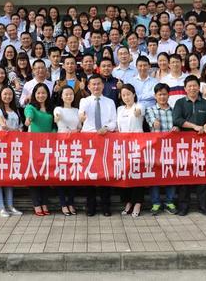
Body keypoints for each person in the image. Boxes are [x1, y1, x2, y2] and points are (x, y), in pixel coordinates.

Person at [172, 75, 206, 216]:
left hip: (202, 145)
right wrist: (195, 126)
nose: (192, 88)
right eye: (189, 86)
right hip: (184, 145)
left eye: (195, 85)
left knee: (202, 175)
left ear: (199, 87)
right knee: (184, 175)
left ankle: (203, 206)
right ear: (185, 88)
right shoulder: (180, 103)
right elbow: (177, 120)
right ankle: (183, 206)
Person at [79, 75, 117, 216]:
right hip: (88, 141)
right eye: (93, 84)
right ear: (89, 86)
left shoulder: (110, 102)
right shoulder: (84, 101)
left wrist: (106, 128)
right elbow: (81, 114)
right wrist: (82, 116)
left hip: (105, 140)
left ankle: (106, 206)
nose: (96, 87)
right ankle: (90, 206)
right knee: (89, 173)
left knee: (105, 173)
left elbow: (114, 122)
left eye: (98, 84)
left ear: (103, 85)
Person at [144, 83, 179, 215]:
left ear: (168, 95)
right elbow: (152, 122)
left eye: (164, 94)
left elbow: (178, 125)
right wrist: (155, 123)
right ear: (155, 96)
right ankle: (156, 202)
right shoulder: (150, 109)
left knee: (171, 174)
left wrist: (177, 128)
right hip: (156, 148)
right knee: (155, 175)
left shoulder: (174, 110)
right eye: (159, 94)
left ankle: (170, 201)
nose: (162, 97)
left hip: (171, 148)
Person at [0, 86, 24, 217]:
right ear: (0, 95)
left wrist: (14, 131)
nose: (7, 96)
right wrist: (13, 130)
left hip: (13, 147)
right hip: (0, 147)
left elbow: (21, 128)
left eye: (10, 94)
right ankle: (1, 207)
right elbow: (3, 125)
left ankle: (10, 206)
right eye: (5, 94)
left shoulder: (15, 110)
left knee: (9, 177)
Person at [24, 83, 55, 216]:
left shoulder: (51, 108)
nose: (41, 95)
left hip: (48, 147)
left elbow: (54, 126)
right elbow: (29, 114)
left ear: (47, 94)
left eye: (43, 93)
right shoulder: (31, 107)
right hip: (35, 147)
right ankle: (36, 204)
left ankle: (44, 203)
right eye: (38, 93)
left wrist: (52, 136)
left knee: (46, 175)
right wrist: (28, 119)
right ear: (34, 95)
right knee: (35, 175)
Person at [117, 84, 145, 217]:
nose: (126, 97)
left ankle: (138, 202)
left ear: (134, 94)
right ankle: (128, 202)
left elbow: (139, 112)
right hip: (123, 146)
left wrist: (136, 112)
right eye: (123, 95)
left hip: (137, 145)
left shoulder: (139, 106)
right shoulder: (119, 109)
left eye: (128, 94)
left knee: (137, 174)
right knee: (124, 174)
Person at [54, 86, 80, 216]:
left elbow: (80, 127)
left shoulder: (77, 110)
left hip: (75, 145)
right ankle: (63, 203)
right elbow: (56, 118)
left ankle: (71, 202)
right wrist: (57, 117)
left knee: (73, 174)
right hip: (62, 145)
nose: (69, 96)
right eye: (66, 94)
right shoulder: (58, 109)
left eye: (71, 94)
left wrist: (75, 131)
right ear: (61, 96)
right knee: (62, 175)